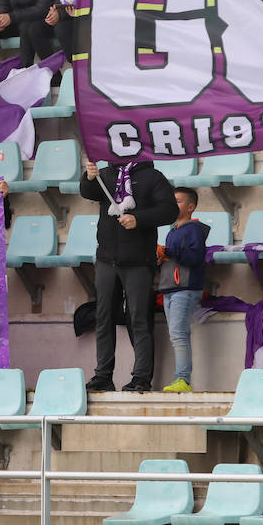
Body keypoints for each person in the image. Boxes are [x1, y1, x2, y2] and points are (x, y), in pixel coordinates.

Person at [79, 159, 178, 393]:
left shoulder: (152, 176)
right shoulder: (106, 173)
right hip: (106, 259)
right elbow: (88, 192)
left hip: (138, 261)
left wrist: (139, 219)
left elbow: (170, 210)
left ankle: (141, 377)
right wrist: (89, 177)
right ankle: (103, 375)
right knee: (103, 318)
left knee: (138, 320)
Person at [158, 187, 209, 393]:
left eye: (178, 201)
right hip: (170, 288)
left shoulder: (194, 230)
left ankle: (183, 380)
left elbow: (194, 258)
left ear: (191, 207)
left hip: (185, 288)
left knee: (179, 335)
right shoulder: (172, 231)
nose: (173, 204)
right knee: (175, 335)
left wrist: (168, 251)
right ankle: (181, 379)